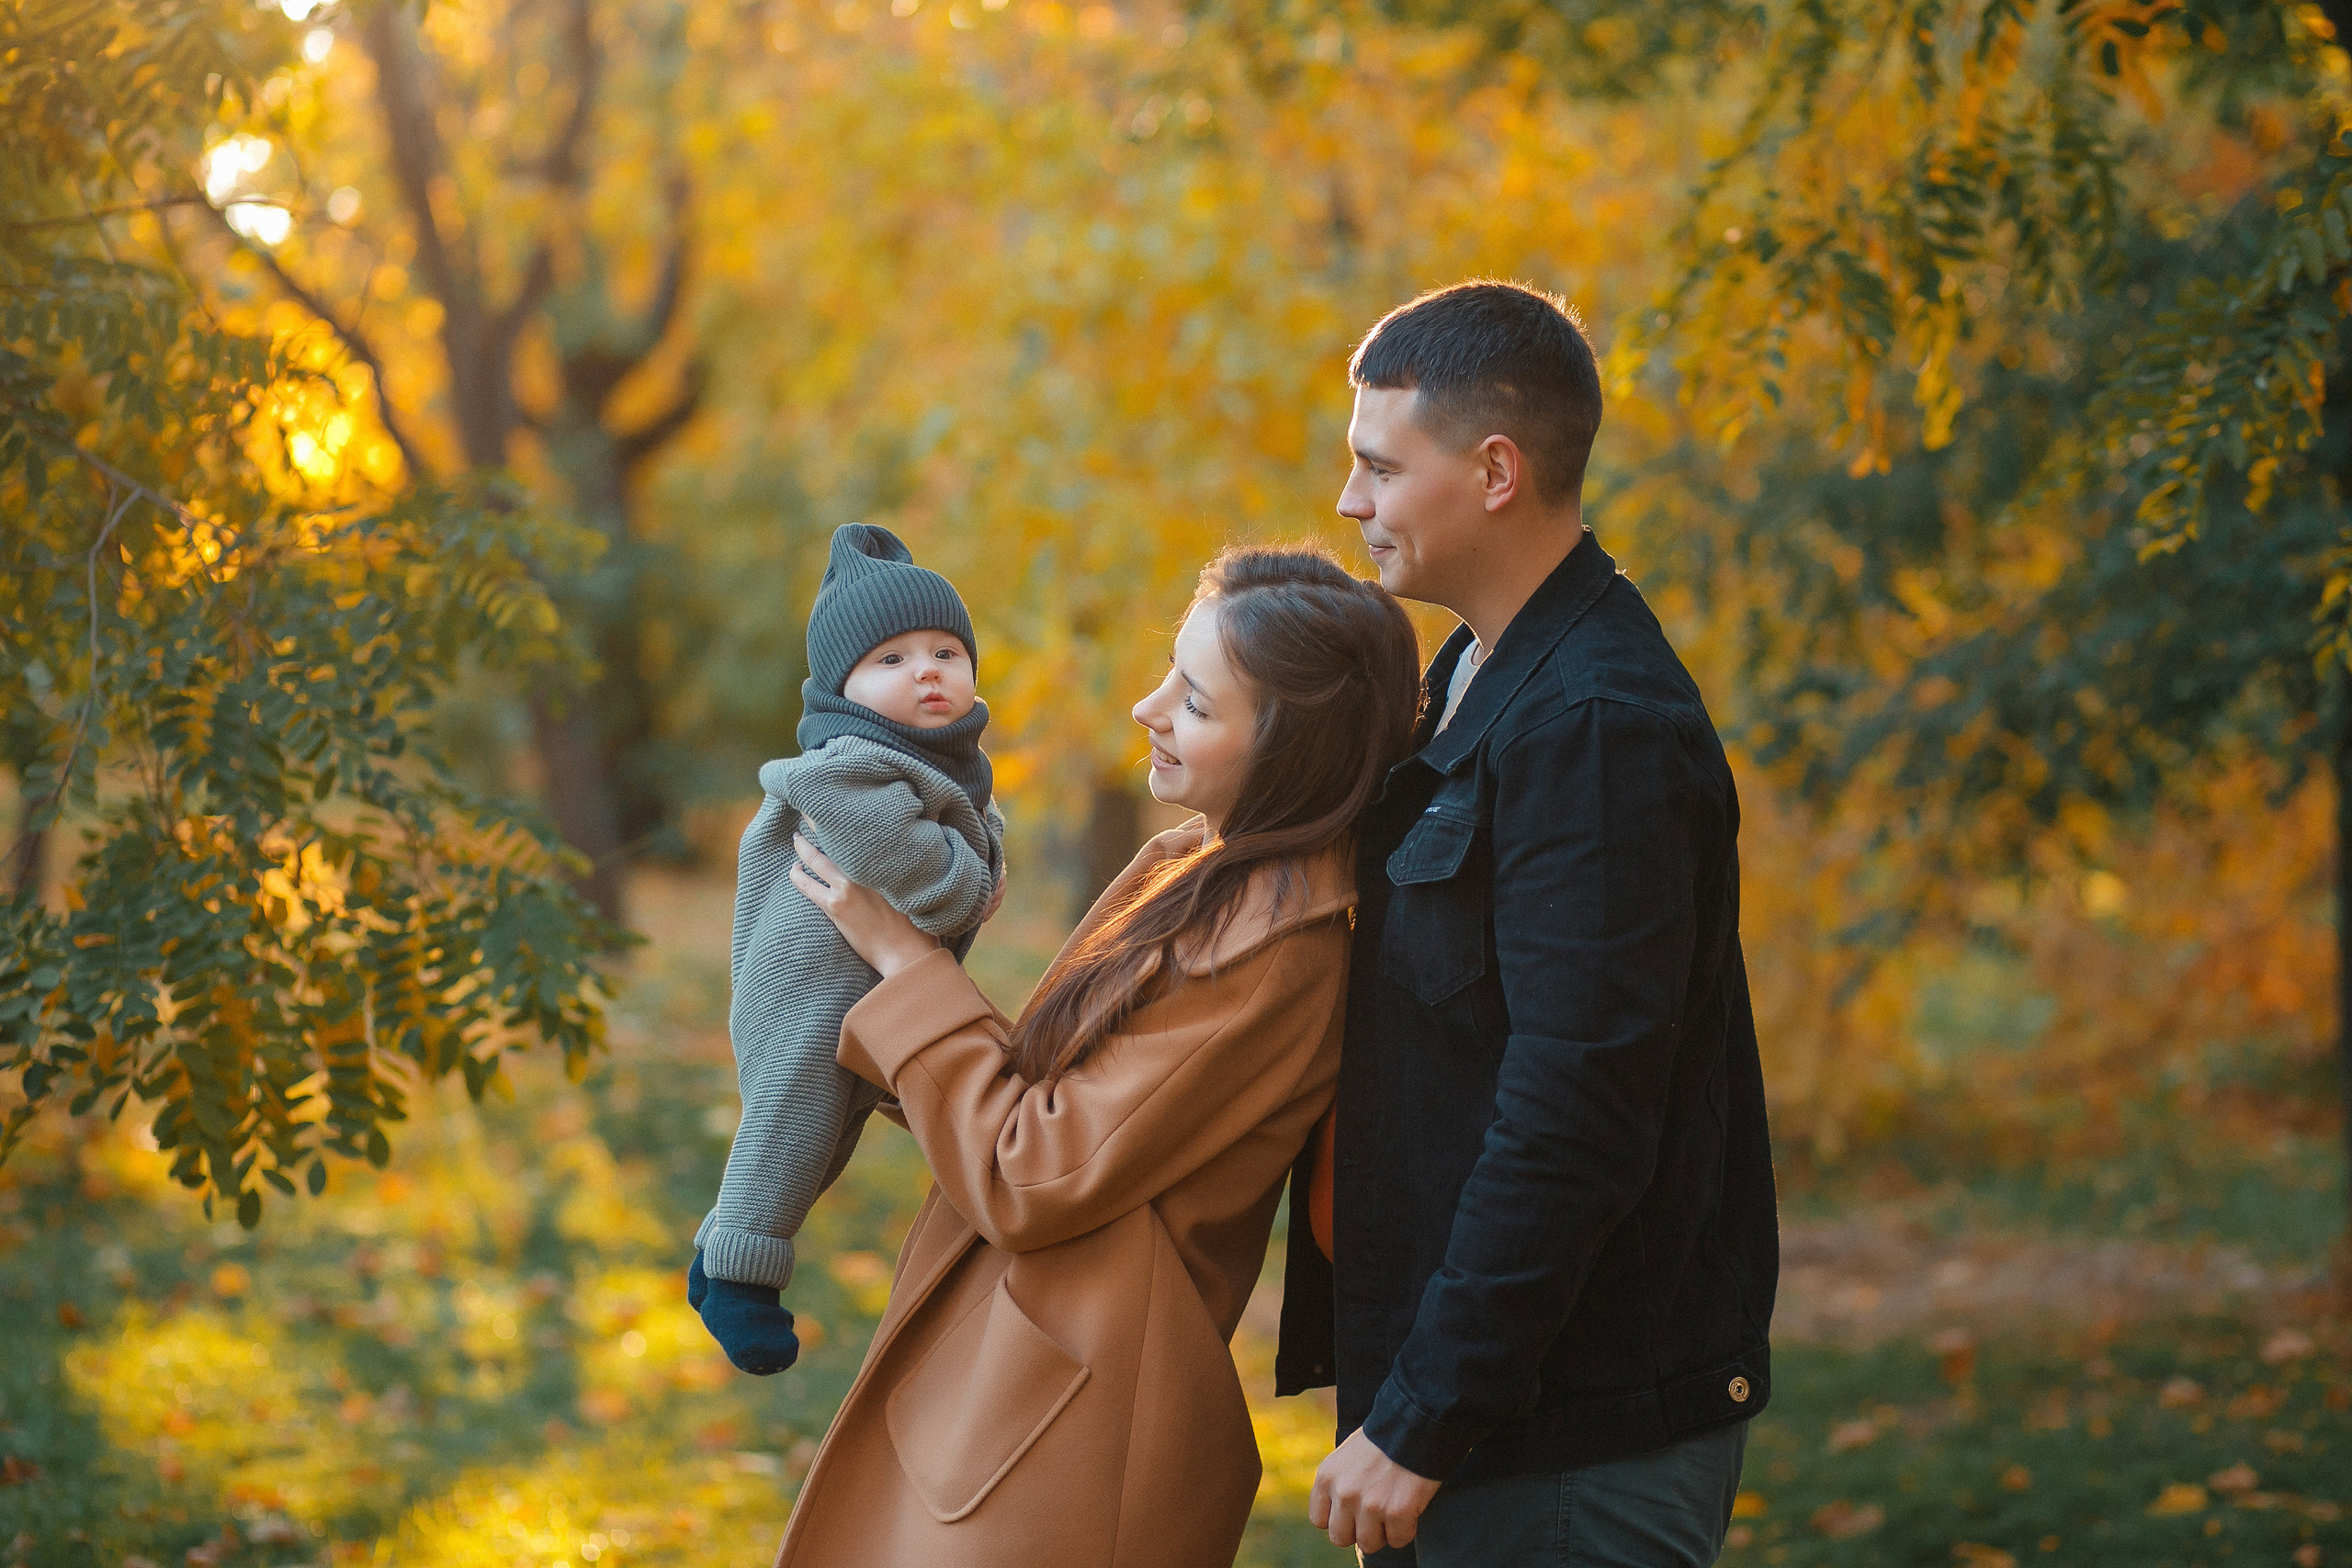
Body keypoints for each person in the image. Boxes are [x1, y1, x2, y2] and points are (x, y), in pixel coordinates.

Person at [772, 547, 1421, 1568]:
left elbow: (1033, 1168)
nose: (1145, 708)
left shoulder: (1274, 951)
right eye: (1171, 669)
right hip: (1013, 1373)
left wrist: (902, 961)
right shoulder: (1190, 870)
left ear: (1294, 752)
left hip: (1063, 1421)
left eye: (1195, 703)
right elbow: (1033, 1090)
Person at [1285, 279, 1779, 1565]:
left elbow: (1578, 1112)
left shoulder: (1596, 725)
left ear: (1495, 469)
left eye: (1378, 466)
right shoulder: (1470, 677)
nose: (1351, 502)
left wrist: (1428, 1416)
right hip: (1488, 1419)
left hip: (1564, 1445)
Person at [687, 523, 1006, 1377]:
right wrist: (975, 881)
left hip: (856, 985)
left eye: (945, 650)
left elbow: (966, 839)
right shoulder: (848, 765)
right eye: (891, 660)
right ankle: (739, 1273)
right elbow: (928, 877)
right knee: (794, 1116)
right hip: (807, 985)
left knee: (825, 1135)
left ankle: (728, 1240)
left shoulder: (937, 763)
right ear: (844, 689)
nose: (927, 671)